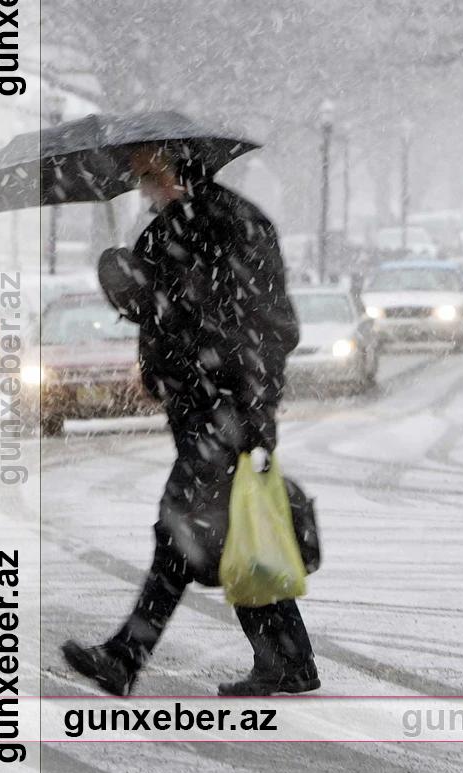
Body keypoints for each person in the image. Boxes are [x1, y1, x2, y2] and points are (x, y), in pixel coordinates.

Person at [62, 142, 320, 696]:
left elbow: (275, 327)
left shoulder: (235, 224)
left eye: (144, 168)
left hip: (226, 410)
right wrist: (126, 283)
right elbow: (155, 307)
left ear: (173, 163)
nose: (137, 180)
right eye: (134, 172)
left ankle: (125, 657)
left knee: (176, 530)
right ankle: (290, 661)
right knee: (232, 534)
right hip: (197, 408)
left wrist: (250, 409)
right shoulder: (164, 230)